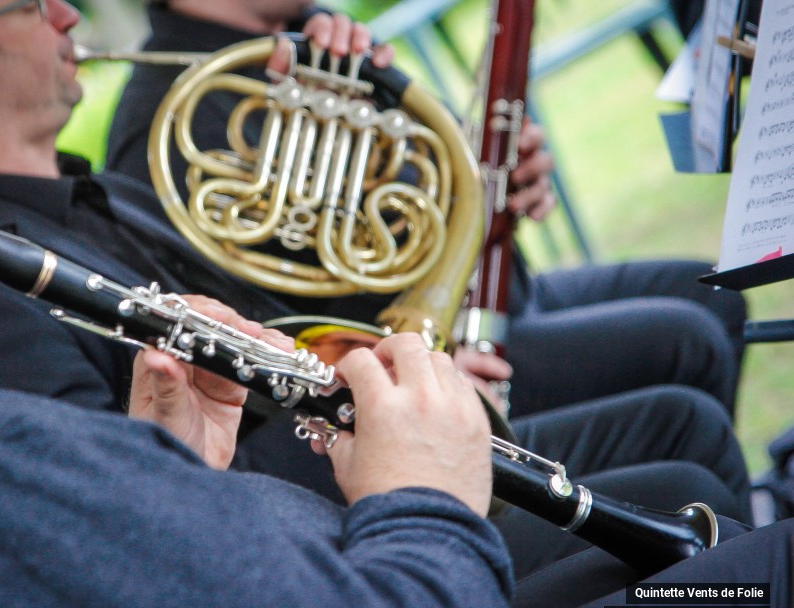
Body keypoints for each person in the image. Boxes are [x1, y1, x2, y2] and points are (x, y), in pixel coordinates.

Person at [0, 53, 792, 608]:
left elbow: (123, 581)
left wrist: (178, 467)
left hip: (352, 571)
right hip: (416, 604)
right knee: (748, 556)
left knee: (710, 526)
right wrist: (421, 493)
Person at [0, 0, 753, 537]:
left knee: (689, 408)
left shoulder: (106, 197)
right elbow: (135, 514)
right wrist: (390, 410)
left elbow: (288, 326)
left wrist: (392, 134)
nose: (69, 14)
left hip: (373, 451)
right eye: (35, 6)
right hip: (343, 535)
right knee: (688, 448)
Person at [104, 0, 748, 419]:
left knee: (713, 293)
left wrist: (489, 190)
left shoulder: (312, 34)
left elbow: (412, 189)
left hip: (488, 290)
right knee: (685, 344)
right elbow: (254, 349)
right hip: (421, 362)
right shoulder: (160, 129)